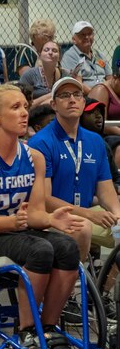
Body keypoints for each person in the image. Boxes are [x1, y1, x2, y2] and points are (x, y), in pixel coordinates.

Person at [0, 84, 85, 349]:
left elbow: (34, 213)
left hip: (15, 234)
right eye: (15, 107)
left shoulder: (33, 157)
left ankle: (46, 327)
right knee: (40, 249)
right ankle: (26, 332)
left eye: (25, 106)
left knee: (67, 247)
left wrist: (49, 219)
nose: (25, 113)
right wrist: (14, 223)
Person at [28, 77, 120, 262]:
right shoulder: (40, 142)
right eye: (64, 95)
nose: (72, 99)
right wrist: (89, 214)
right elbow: (44, 199)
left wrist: (117, 216)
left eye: (77, 95)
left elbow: (105, 190)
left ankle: (102, 288)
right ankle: (74, 286)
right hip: (52, 218)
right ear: (54, 104)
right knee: (81, 226)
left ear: (83, 102)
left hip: (87, 213)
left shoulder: (95, 141)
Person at [61, 21, 110, 92]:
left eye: (89, 34)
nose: (87, 37)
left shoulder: (99, 54)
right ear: (74, 39)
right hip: (87, 96)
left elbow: (110, 77)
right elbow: (76, 83)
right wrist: (96, 94)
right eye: (82, 34)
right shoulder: (70, 56)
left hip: (106, 91)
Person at [20, 40, 63, 106]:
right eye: (46, 50)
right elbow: (24, 105)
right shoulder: (29, 75)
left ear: (59, 57)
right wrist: (51, 95)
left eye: (54, 50)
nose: (50, 52)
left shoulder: (65, 74)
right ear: (40, 54)